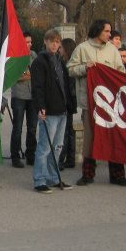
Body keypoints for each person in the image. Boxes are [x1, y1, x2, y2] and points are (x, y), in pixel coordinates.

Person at [67, 19, 126, 187]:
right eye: (107, 31)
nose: (110, 35)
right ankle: (88, 174)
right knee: (90, 139)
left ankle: (117, 174)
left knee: (113, 138)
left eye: (110, 31)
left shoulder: (113, 50)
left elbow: (121, 72)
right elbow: (70, 69)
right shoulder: (82, 48)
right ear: (98, 31)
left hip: (111, 105)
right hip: (90, 103)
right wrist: (85, 68)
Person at [31, 29, 76, 193]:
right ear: (45, 42)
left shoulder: (60, 61)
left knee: (57, 146)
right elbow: (37, 87)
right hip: (48, 110)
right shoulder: (39, 62)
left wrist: (69, 104)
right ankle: (39, 179)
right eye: (52, 41)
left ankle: (53, 177)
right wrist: (40, 106)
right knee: (44, 147)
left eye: (57, 42)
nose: (55, 44)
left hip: (62, 109)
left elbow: (65, 84)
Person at [9, 33, 38, 168]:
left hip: (32, 96)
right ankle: (15, 155)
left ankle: (31, 154)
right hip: (19, 95)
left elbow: (36, 73)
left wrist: (28, 75)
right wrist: (25, 75)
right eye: (26, 42)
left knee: (32, 127)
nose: (29, 44)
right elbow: (14, 76)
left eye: (30, 42)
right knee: (18, 128)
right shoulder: (15, 56)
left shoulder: (34, 55)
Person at [58, 38, 78, 170]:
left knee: (64, 131)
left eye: (60, 47)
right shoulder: (71, 62)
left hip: (66, 100)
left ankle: (61, 158)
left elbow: (66, 85)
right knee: (69, 130)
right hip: (71, 99)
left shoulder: (65, 64)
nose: (59, 50)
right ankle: (70, 158)